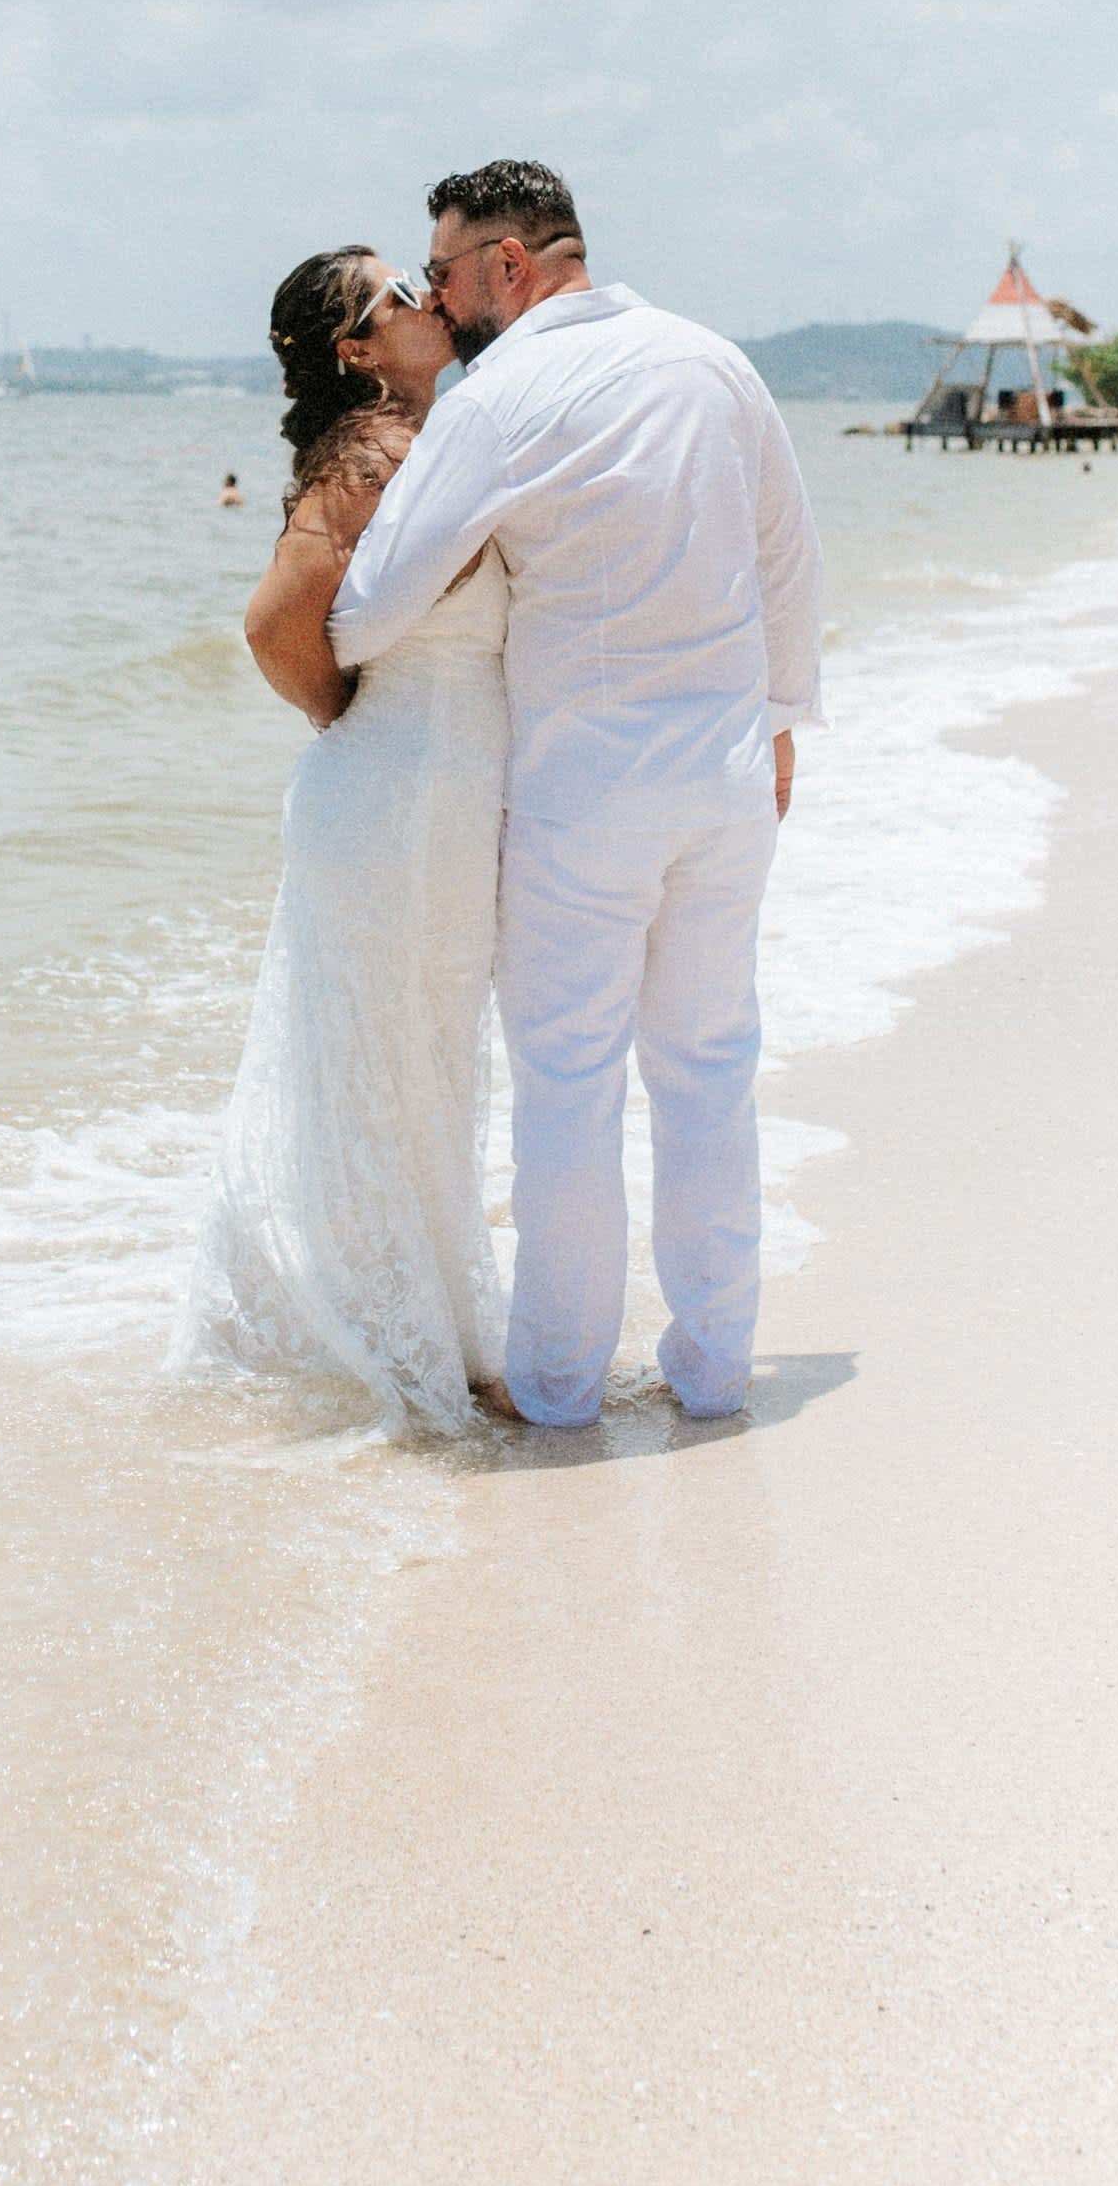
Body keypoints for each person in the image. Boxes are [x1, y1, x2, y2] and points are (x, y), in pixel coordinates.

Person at [331, 162, 823, 1429]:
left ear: (506, 264)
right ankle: (715, 1370)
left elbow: (375, 598)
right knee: (710, 1068)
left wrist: (330, 655)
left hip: (582, 790)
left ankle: (556, 1386)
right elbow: (786, 549)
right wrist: (780, 716)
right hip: (725, 777)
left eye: (439, 272)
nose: (436, 296)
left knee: (569, 1084)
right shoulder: (716, 361)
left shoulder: (502, 393)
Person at [170, 247, 508, 1432]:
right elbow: (271, 623)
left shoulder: (402, 440)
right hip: (395, 793)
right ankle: (410, 1342)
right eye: (396, 297)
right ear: (356, 351)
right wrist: (341, 715)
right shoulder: (376, 452)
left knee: (414, 1063)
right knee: (396, 1067)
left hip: (424, 791)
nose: (426, 301)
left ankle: (426, 1328)